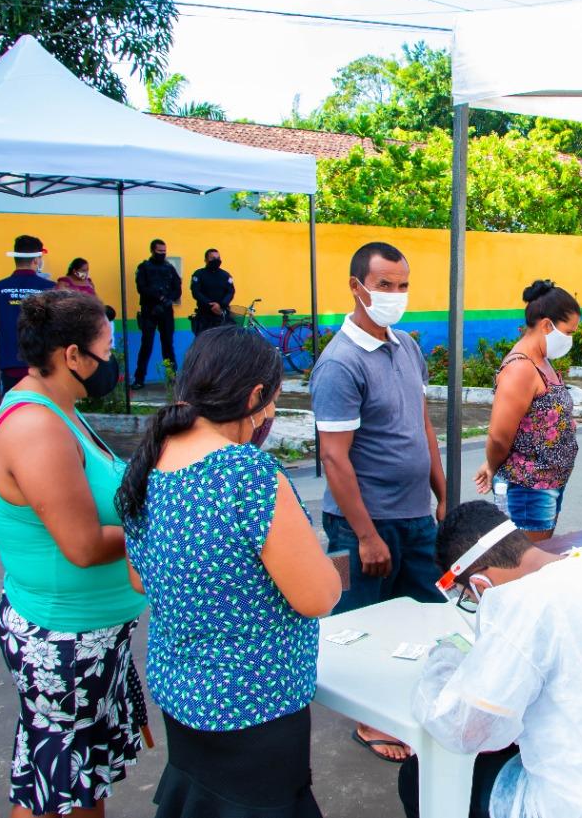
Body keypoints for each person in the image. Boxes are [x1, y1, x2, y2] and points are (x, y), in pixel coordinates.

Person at [118, 325, 341, 818]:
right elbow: (317, 596)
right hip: (255, 709)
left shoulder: (148, 463)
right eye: (272, 402)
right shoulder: (246, 472)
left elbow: (140, 578)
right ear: (256, 396)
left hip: (182, 699)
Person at [401, 501, 582, 818]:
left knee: (416, 775)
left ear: (480, 584)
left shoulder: (524, 603)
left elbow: (465, 729)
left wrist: (443, 661)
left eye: (470, 597)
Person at [0, 289, 144, 817]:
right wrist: (167, 531)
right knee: (54, 793)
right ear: (72, 356)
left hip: (91, 634)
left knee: (78, 784)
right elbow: (82, 545)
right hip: (64, 639)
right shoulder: (37, 428)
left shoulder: (62, 410)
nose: (110, 361)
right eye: (106, 348)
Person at [311, 241, 446, 762]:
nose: (395, 295)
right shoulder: (340, 364)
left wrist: (440, 490)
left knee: (429, 613)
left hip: (416, 515)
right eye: (384, 285)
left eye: (402, 285)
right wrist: (364, 534)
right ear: (357, 287)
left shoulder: (406, 345)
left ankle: (414, 703)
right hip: (363, 523)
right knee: (364, 623)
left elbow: (422, 423)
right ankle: (369, 723)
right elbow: (335, 458)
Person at [473, 280, 581, 541]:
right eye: (568, 332)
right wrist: (492, 464)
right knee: (527, 566)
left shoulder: (541, 361)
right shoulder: (521, 368)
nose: (570, 339)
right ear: (547, 325)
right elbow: (499, 436)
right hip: (528, 488)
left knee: (538, 559)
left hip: (547, 484)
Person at [0, 234, 55, 400]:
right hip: (43, 366)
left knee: (14, 412)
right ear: (36, 260)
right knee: (40, 413)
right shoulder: (51, 289)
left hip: (10, 365)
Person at [132, 238, 181, 390]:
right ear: (152, 250)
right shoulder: (144, 267)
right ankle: (139, 379)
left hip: (166, 312)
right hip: (149, 311)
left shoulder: (169, 268)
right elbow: (141, 288)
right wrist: (159, 298)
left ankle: (173, 378)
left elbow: (177, 288)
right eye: (160, 251)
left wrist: (168, 300)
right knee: (146, 345)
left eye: (164, 251)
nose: (163, 254)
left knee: (168, 346)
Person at [190, 248, 235, 335]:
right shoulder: (199, 274)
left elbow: (230, 291)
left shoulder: (225, 275)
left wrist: (221, 305)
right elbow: (196, 292)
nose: (216, 260)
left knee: (223, 344)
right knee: (204, 344)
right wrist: (210, 304)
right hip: (204, 316)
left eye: (218, 258)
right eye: (213, 258)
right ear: (206, 260)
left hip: (221, 315)